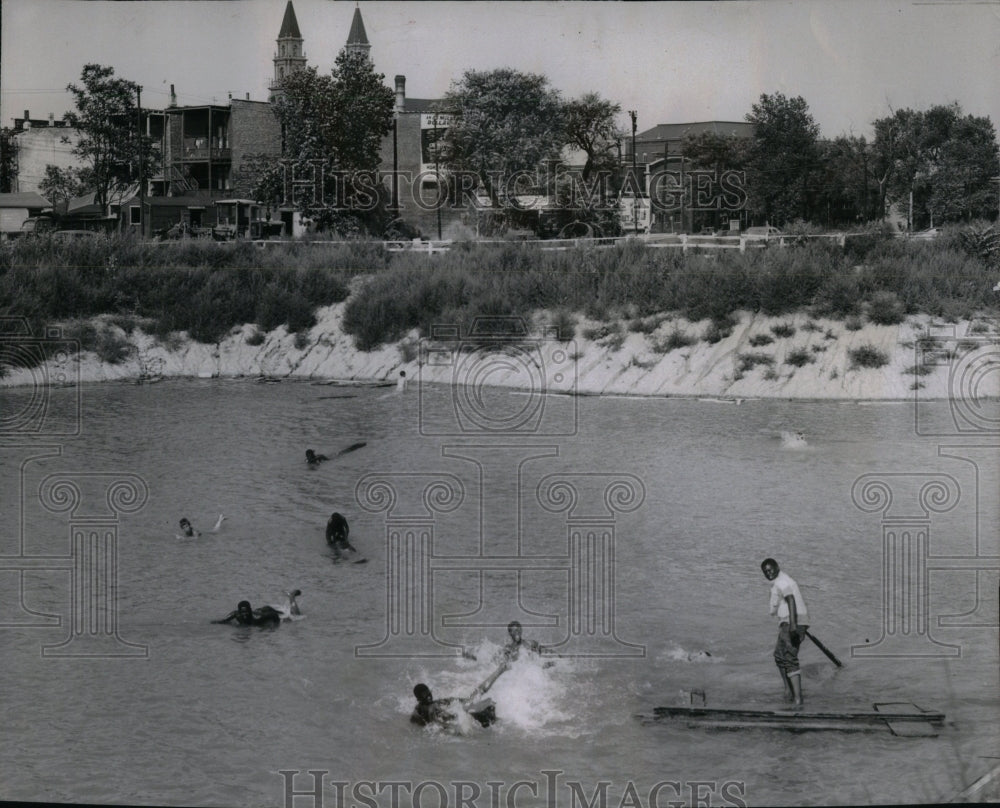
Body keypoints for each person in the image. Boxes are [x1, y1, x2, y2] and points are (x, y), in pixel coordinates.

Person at [761, 558, 809, 706]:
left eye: (771, 569)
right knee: (779, 656)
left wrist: (794, 625)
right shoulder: (779, 581)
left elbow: (791, 600)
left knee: (789, 658)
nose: (769, 573)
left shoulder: (782, 581)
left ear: (777, 567)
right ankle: (789, 691)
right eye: (766, 572)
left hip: (792, 622)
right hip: (788, 622)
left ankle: (798, 699)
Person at [411, 661, 508, 731]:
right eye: (425, 695)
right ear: (419, 699)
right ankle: (500, 670)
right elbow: (443, 721)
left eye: (428, 692)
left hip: (454, 710)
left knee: (473, 697)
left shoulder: (426, 707)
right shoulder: (430, 708)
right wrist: (456, 729)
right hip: (463, 716)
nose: (428, 696)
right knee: (475, 699)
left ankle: (500, 670)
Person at [212, 600, 282, 627]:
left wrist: (276, 624)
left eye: (246, 611)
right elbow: (225, 621)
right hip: (250, 622)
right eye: (242, 611)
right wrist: (217, 622)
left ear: (249, 609)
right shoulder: (237, 614)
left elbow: (273, 615)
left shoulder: (255, 619)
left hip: (255, 621)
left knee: (266, 610)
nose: (244, 613)